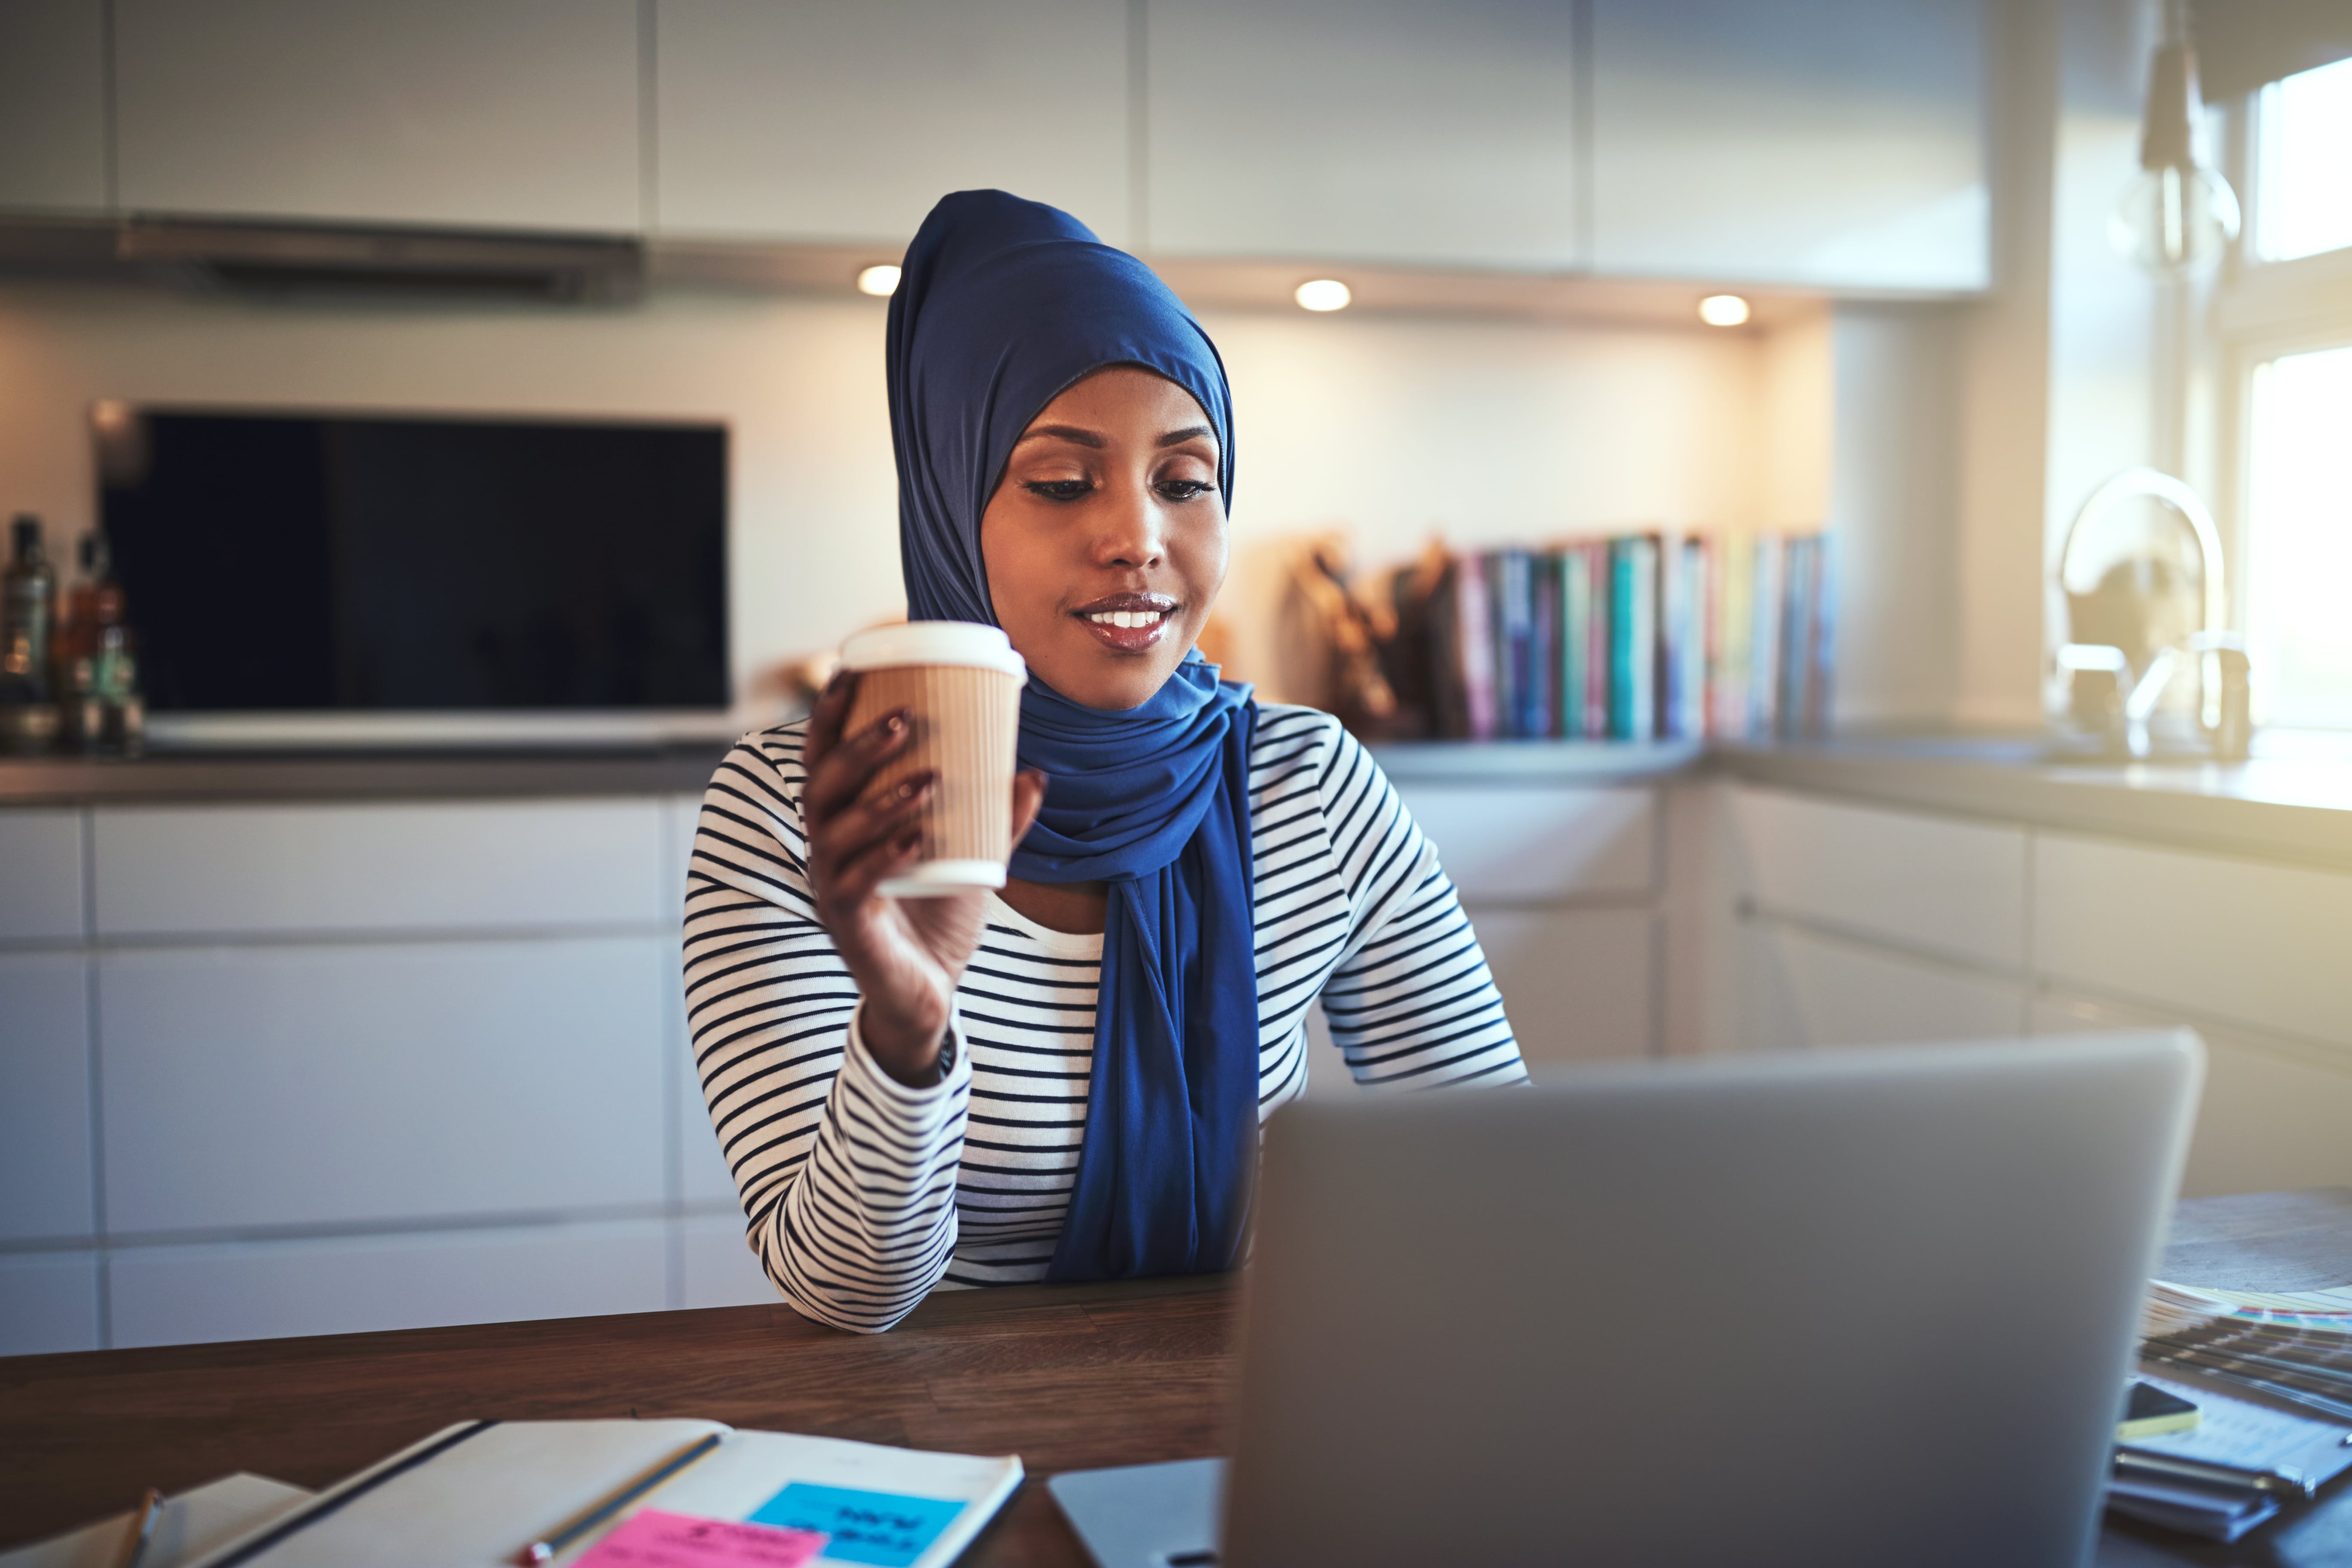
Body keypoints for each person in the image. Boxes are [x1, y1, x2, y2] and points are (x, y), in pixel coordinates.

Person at [686, 190, 1526, 1333]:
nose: (1140, 537)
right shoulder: (799, 808)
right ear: (947, 497)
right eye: (1062, 482)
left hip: (1261, 1421)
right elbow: (847, 1296)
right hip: (931, 1430)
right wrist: (906, 1026)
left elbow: (1494, 1172)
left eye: (1185, 480)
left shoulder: (1306, 785)